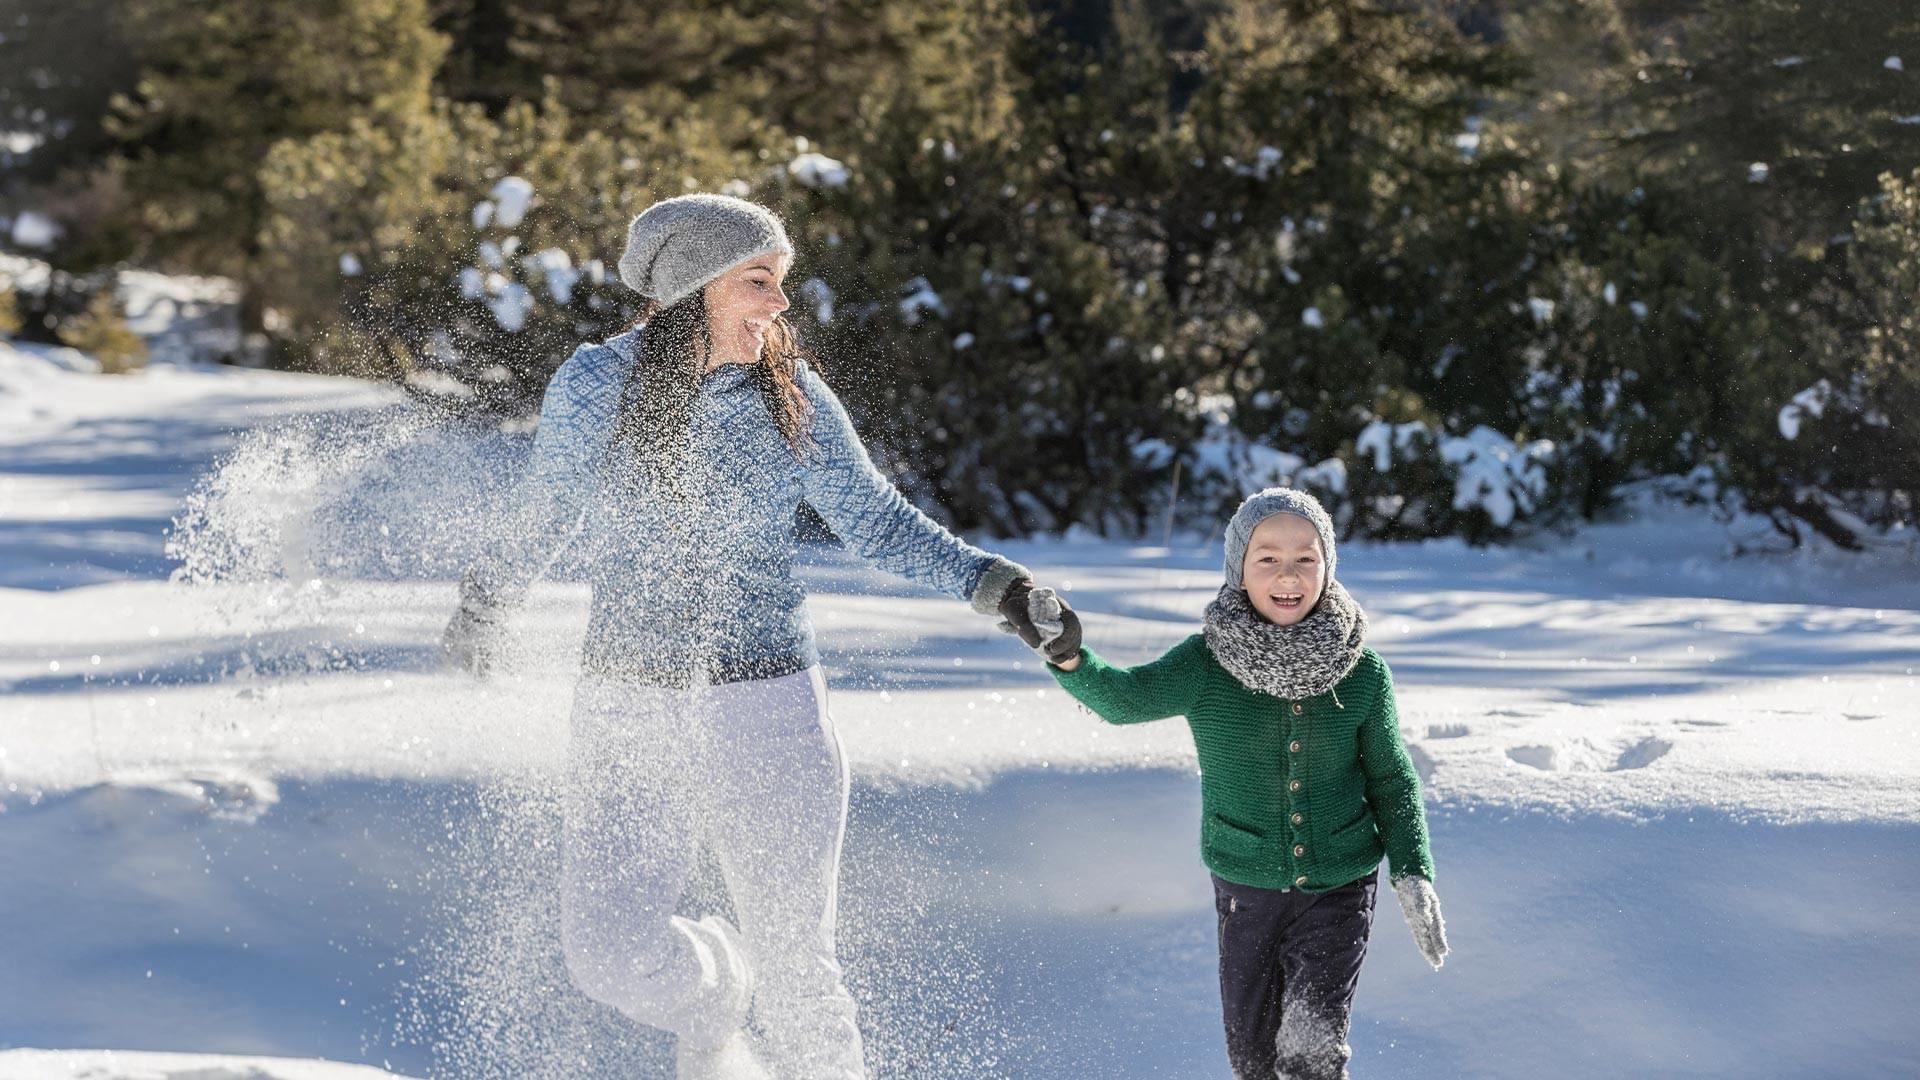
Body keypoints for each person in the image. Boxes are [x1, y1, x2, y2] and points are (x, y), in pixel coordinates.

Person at [442, 193, 1048, 1080]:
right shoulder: (597, 384)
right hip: (626, 701)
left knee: (801, 974)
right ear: (694, 287)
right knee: (606, 952)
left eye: (782, 281)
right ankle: (713, 989)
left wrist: (993, 582)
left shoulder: (790, 394)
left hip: (768, 701)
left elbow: (874, 520)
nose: (781, 303)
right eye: (760, 280)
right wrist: (487, 602)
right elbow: (547, 511)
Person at [1022, 488, 1447, 1080]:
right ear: (1238, 570)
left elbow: (1390, 776)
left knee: (1310, 1054)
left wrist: (1413, 870)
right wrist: (1070, 658)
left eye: (1306, 558)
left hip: (1340, 886)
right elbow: (1126, 699)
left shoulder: (1363, 671)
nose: (1288, 575)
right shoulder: (1206, 662)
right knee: (1252, 1058)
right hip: (1245, 885)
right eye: (1267, 558)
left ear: (1328, 566)